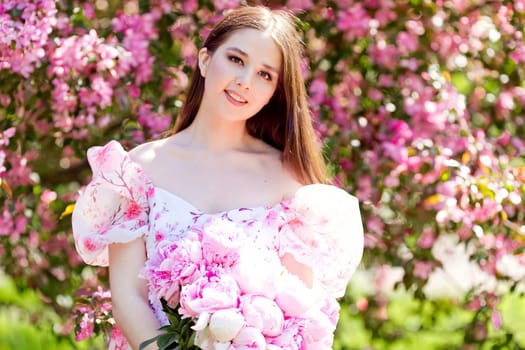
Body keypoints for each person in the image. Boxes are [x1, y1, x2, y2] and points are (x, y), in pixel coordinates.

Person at [72, 5, 364, 349]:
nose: (245, 81)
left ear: (275, 93)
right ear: (205, 60)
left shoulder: (290, 185)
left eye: (265, 75)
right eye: (237, 60)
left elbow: (296, 316)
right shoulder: (137, 171)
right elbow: (127, 297)